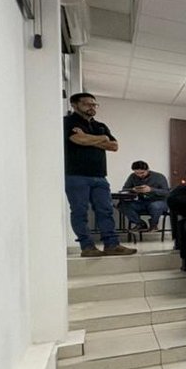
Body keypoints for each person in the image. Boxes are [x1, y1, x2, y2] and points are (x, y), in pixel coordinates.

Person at [63, 92, 136, 256]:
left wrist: (93, 138)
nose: (92, 107)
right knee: (80, 211)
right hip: (76, 175)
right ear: (74, 105)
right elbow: (77, 140)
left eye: (94, 104)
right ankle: (87, 247)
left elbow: (114, 146)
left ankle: (112, 245)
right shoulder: (68, 122)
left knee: (106, 210)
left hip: (100, 176)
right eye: (87, 104)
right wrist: (101, 139)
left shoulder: (101, 126)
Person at [119, 160, 170, 231]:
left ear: (147, 170)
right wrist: (133, 190)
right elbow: (124, 189)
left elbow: (166, 192)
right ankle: (140, 223)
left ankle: (153, 224)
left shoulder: (159, 177)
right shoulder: (132, 177)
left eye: (142, 173)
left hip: (158, 201)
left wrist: (151, 190)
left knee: (156, 206)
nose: (140, 175)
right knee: (122, 205)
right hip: (141, 201)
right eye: (137, 173)